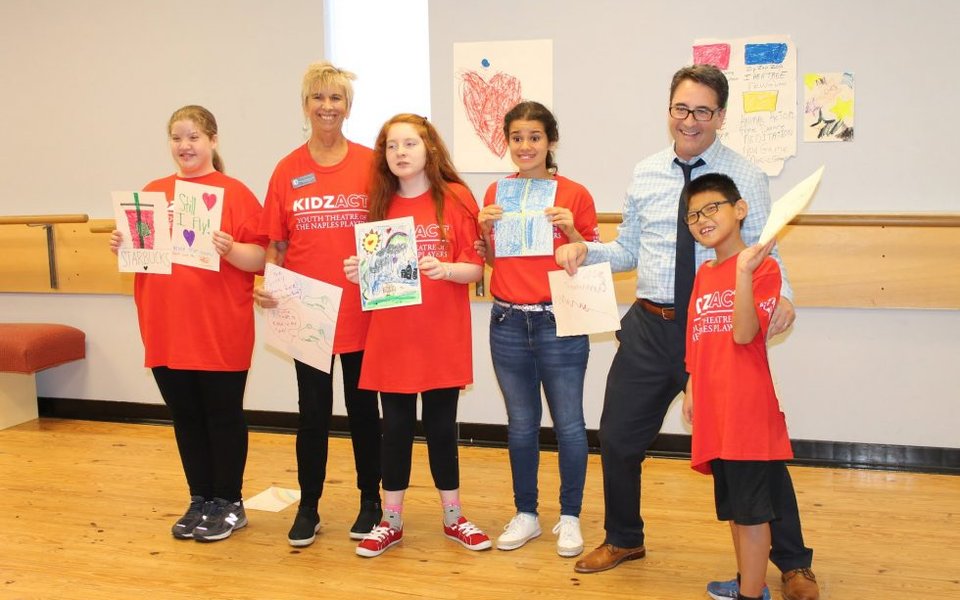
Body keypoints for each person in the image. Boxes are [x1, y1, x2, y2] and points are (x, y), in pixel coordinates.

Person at [555, 65, 819, 600]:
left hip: (719, 330)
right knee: (620, 437)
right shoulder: (646, 172)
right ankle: (625, 538)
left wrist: (784, 292)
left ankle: (792, 563)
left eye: (703, 111)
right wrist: (590, 250)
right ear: (668, 110)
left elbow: (768, 245)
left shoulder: (743, 175)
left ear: (720, 117)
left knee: (751, 451)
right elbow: (629, 247)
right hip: (652, 327)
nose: (690, 120)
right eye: (682, 108)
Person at [110, 105, 268, 542]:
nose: (185, 146)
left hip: (219, 329)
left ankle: (230, 502)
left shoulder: (234, 193)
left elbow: (260, 259)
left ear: (213, 141)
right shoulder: (153, 194)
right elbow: (141, 259)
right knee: (185, 417)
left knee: (222, 416)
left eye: (194, 137)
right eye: (177, 138)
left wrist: (231, 248)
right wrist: (123, 243)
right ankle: (200, 498)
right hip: (165, 327)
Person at [344, 114, 490, 558]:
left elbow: (476, 266)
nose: (400, 153)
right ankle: (391, 520)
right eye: (391, 146)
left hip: (442, 334)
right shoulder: (379, 203)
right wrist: (357, 273)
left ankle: (453, 517)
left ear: (429, 150)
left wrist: (446, 270)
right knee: (397, 429)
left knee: (443, 426)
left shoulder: (456, 198)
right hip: (392, 337)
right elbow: (374, 273)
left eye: (409, 144)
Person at [255, 61, 383, 548]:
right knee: (312, 413)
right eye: (318, 99)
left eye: (337, 99)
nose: (327, 107)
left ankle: (370, 500)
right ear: (305, 106)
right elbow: (277, 246)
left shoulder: (373, 163)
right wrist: (267, 284)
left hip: (362, 308)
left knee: (362, 409)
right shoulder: (288, 169)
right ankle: (308, 506)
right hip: (306, 310)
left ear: (348, 108)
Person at [478, 101, 599, 558]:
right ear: (507, 142)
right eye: (516, 138)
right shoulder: (495, 192)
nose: (525, 146)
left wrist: (573, 233)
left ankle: (570, 517)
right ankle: (526, 513)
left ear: (550, 142)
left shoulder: (574, 193)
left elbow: (592, 258)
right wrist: (485, 231)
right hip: (507, 318)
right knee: (521, 425)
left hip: (559, 319)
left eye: (534, 137)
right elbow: (492, 260)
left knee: (569, 424)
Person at [683, 173, 797, 600]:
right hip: (715, 408)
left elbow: (745, 333)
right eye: (694, 214)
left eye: (712, 207)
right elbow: (696, 335)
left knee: (752, 514)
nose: (702, 219)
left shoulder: (761, 266)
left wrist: (745, 274)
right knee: (734, 509)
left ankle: (752, 594)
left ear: (740, 209)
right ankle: (747, 581)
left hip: (747, 409)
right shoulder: (703, 274)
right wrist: (692, 384)